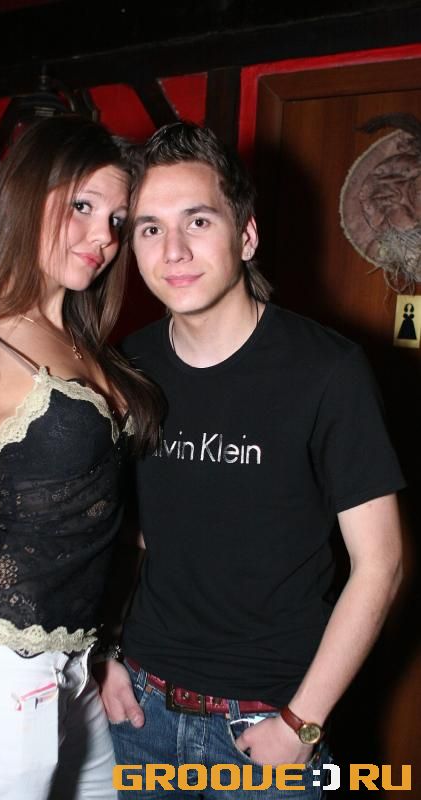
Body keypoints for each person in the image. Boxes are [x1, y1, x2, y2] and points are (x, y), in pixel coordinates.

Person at [98, 121, 406, 799]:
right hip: (140, 712)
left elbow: (380, 563)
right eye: (149, 228)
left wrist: (301, 723)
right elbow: (126, 532)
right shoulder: (128, 366)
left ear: (245, 235)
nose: (173, 250)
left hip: (265, 729)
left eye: (197, 220)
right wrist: (106, 650)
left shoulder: (327, 371)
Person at [0, 115, 163, 800]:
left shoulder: (82, 342)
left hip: (75, 667)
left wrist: (104, 648)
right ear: (28, 196)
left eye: (116, 220)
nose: (103, 238)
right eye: (83, 206)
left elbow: (93, 520)